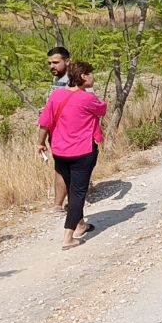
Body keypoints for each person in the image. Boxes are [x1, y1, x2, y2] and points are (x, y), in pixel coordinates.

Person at [36, 61, 106, 250]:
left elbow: (44, 123)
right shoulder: (88, 99)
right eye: (90, 74)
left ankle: (81, 224)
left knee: (71, 187)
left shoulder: (57, 96)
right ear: (83, 76)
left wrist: (41, 143)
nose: (93, 77)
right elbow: (102, 110)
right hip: (82, 152)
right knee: (77, 193)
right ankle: (69, 236)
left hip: (60, 152)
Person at [46, 46, 71, 212]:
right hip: (58, 134)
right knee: (61, 167)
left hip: (71, 134)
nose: (52, 66)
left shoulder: (75, 81)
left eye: (55, 62)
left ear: (67, 62)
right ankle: (58, 204)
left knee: (70, 168)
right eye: (49, 63)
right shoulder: (58, 81)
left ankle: (73, 203)